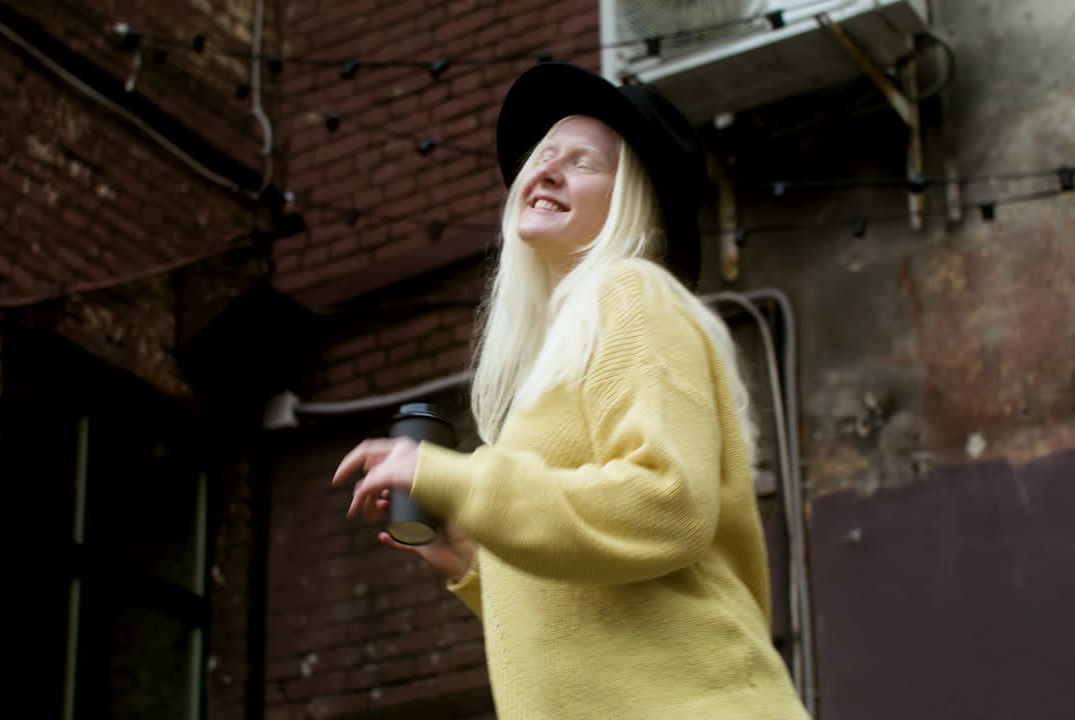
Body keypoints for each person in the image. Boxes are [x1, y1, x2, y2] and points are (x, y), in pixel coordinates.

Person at [333, 62, 810, 720]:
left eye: (583, 162)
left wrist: (462, 481)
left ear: (630, 201)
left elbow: (667, 505)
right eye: (544, 155)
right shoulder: (561, 358)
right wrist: (473, 561)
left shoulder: (633, 294)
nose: (548, 170)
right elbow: (595, 616)